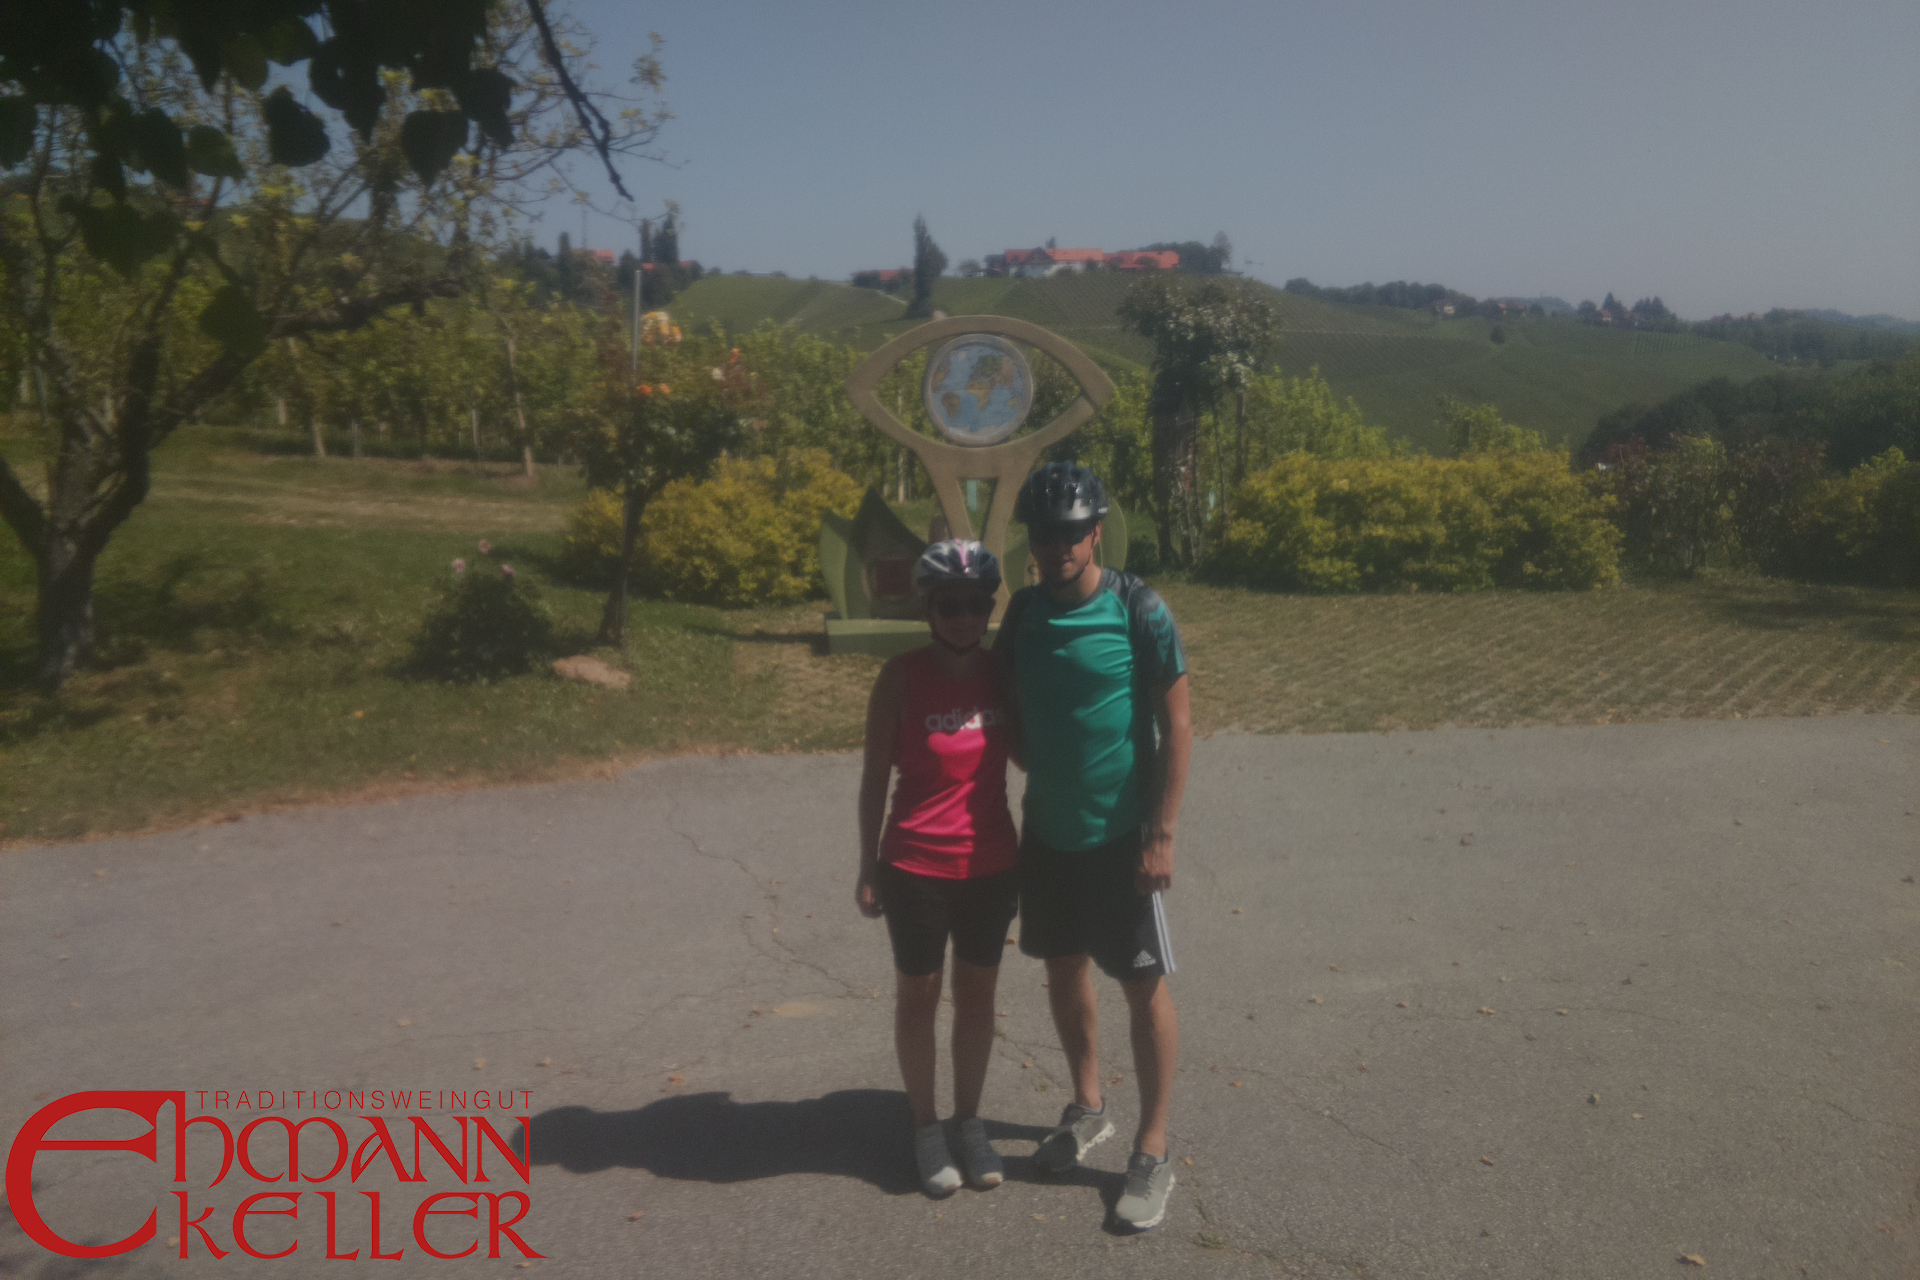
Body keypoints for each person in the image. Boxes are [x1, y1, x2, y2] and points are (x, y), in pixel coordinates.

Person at [995, 462, 1192, 1232]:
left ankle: (1153, 1147)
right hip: (1049, 834)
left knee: (1142, 985)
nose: (1059, 546)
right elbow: (1008, 700)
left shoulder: (1139, 609)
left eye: (1072, 531)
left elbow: (1177, 724)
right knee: (1062, 967)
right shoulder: (1022, 613)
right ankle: (1088, 1105)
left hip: (1122, 839)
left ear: (1096, 531)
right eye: (1046, 534)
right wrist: (1033, 760)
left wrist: (1161, 835)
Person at [855, 540, 1021, 1197]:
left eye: (977, 604)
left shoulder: (1002, 673)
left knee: (977, 997)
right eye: (950, 605)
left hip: (992, 862)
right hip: (915, 864)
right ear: (928, 608)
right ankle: (927, 1128)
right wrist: (867, 863)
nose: (964, 616)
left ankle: (969, 1123)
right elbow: (874, 778)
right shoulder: (900, 677)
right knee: (919, 997)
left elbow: (1032, 750)